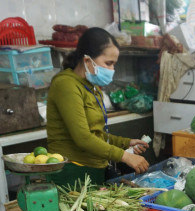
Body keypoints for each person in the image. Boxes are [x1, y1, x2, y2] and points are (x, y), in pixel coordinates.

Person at [46, 27, 149, 186]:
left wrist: (125, 143)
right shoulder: (66, 84)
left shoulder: (92, 87)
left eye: (114, 64)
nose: (112, 70)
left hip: (93, 170)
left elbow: (97, 133)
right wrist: (125, 156)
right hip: (71, 172)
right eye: (108, 63)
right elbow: (83, 138)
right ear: (87, 60)